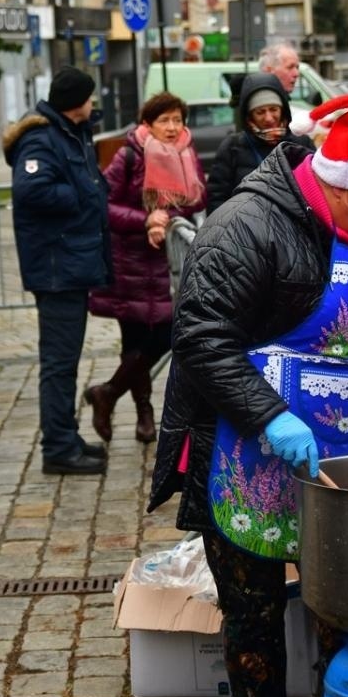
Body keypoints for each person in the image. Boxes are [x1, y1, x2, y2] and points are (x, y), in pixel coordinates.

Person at [149, 93, 348, 697]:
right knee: (251, 619)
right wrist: (271, 416)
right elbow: (199, 337)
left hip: (341, 457)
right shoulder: (246, 225)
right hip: (242, 453)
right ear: (342, 185)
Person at [3, 67, 111, 475]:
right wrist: (82, 192)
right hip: (56, 267)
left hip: (69, 264)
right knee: (59, 363)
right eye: (89, 97)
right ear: (76, 101)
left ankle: (66, 435)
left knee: (66, 360)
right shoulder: (41, 137)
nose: (93, 104)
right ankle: (59, 448)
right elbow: (31, 190)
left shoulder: (67, 131)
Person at [86, 92, 205, 444]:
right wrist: (145, 219)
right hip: (132, 262)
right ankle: (144, 415)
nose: (172, 128)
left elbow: (198, 199)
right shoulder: (129, 155)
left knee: (167, 334)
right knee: (135, 339)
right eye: (164, 120)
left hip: (171, 262)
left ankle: (107, 392)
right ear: (147, 124)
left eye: (177, 119)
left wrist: (167, 217)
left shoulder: (188, 152)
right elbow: (103, 207)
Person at [206, 73, 314, 215]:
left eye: (274, 109)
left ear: (283, 110)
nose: (269, 118)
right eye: (260, 112)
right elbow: (216, 198)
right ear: (249, 116)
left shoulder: (302, 143)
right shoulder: (232, 147)